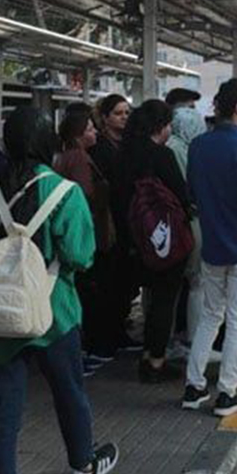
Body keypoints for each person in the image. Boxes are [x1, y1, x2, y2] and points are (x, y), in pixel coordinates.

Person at [0, 107, 117, 474]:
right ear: (47, 144)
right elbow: (82, 255)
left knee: (3, 416)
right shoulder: (65, 192)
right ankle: (84, 465)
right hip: (55, 313)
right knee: (69, 394)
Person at [181, 79, 237, 417]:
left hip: (213, 245)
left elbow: (191, 194)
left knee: (209, 317)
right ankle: (227, 393)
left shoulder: (198, 146)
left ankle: (194, 385)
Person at [117, 100, 191, 383]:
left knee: (150, 301)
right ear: (160, 126)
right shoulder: (162, 156)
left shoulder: (124, 154)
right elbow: (180, 195)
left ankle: (148, 354)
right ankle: (155, 361)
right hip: (163, 238)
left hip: (134, 237)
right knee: (164, 301)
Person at [55, 105, 115, 376]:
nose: (95, 133)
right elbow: (85, 195)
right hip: (85, 233)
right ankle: (89, 350)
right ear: (79, 134)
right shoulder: (79, 159)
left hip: (74, 233)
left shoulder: (65, 156)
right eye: (90, 129)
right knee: (91, 292)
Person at [88, 94, 141, 357]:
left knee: (123, 283)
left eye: (127, 113)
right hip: (109, 224)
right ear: (105, 118)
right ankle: (106, 336)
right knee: (108, 282)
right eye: (119, 113)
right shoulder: (100, 148)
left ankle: (119, 331)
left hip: (127, 223)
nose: (124, 118)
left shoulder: (128, 145)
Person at [165, 104, 207, 356]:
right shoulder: (182, 151)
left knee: (169, 285)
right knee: (196, 281)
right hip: (188, 221)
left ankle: (166, 339)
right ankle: (194, 339)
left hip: (167, 224)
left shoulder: (169, 146)